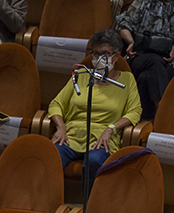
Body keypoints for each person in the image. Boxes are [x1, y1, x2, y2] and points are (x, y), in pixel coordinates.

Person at [47, 29, 141, 188]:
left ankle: (89, 209)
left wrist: (111, 129)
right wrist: (61, 127)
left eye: (105, 53)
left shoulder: (127, 79)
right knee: (50, 156)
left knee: (94, 161)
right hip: (71, 135)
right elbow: (56, 104)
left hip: (102, 138)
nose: (99, 58)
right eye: (95, 53)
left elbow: (135, 111)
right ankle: (51, 206)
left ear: (116, 56)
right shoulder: (81, 75)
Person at [116, 0, 174, 120]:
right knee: (154, 62)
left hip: (168, 60)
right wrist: (129, 40)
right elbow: (123, 24)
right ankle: (163, 116)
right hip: (140, 55)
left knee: (145, 78)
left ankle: (146, 121)